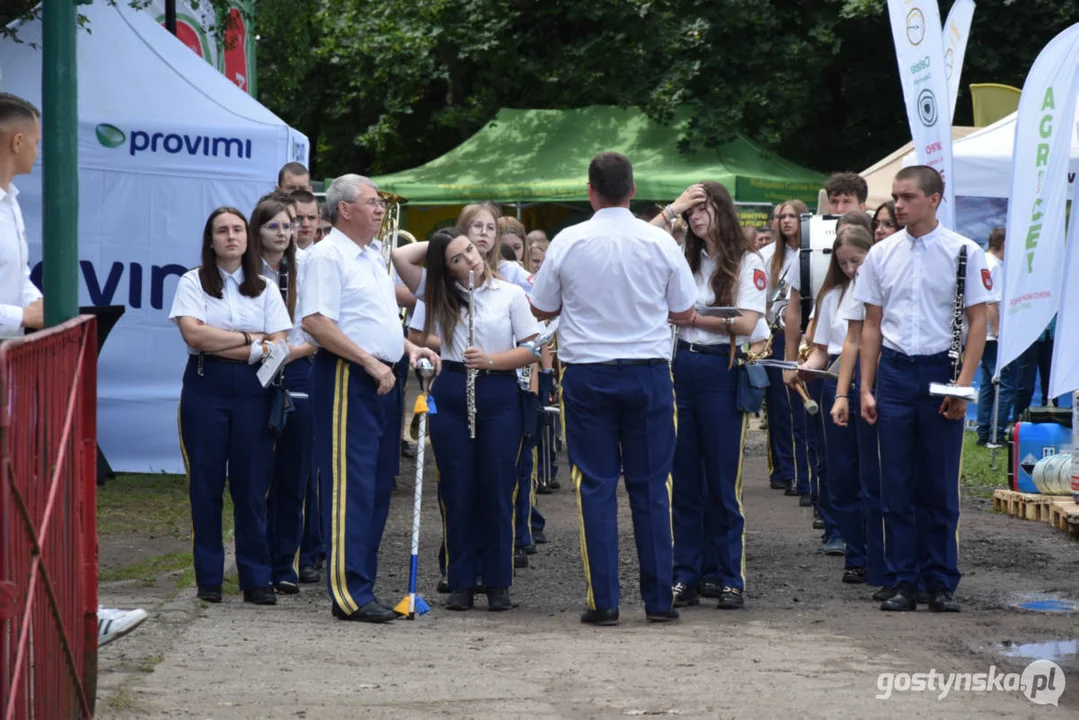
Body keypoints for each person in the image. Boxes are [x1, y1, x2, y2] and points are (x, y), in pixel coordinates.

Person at [530, 152, 697, 626]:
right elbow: (684, 311)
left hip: (587, 373)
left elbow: (541, 308)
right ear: (633, 189)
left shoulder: (567, 241)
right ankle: (659, 599)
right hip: (646, 370)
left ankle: (603, 600)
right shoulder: (659, 242)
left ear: (590, 191)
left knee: (597, 486)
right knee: (651, 486)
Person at [300, 174, 439, 623]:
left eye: (380, 204)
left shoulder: (372, 255)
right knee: (350, 483)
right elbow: (317, 322)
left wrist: (406, 347)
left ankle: (363, 584)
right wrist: (369, 361)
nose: (381, 210)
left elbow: (374, 319)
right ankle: (348, 592)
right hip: (349, 375)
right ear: (344, 209)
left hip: (383, 372)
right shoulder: (327, 255)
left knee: (379, 483)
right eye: (373, 202)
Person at [857, 165, 990, 613]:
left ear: (934, 200)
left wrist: (964, 386)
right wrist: (866, 386)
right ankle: (902, 578)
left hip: (941, 368)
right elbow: (871, 326)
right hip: (895, 370)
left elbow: (978, 323)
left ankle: (940, 579)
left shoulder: (965, 252)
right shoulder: (881, 254)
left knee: (938, 480)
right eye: (896, 196)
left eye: (908, 197)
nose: (898, 204)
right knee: (894, 479)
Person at [393, 230, 539, 611]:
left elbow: (532, 348)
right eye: (457, 258)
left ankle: (497, 581)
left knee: (496, 484)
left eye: (470, 250)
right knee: (456, 487)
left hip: (499, 389)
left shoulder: (509, 293)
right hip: (453, 388)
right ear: (447, 267)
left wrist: (491, 360)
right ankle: (460, 579)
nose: (470, 260)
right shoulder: (438, 294)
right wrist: (440, 243)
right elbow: (400, 256)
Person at [170, 207, 292, 606]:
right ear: (211, 240)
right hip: (206, 386)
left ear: (248, 237)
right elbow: (194, 336)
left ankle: (255, 578)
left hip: (253, 390)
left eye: (238, 229)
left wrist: (226, 338)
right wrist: (248, 339)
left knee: (252, 487)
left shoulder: (265, 286)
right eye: (222, 231)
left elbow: (279, 345)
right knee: (205, 485)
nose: (231, 236)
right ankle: (209, 579)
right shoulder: (193, 281)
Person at [652, 182, 765, 610]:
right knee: (684, 478)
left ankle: (728, 574)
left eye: (704, 209)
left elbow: (750, 322)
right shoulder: (684, 255)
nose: (696, 217)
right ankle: (688, 573)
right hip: (681, 367)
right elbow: (643, 241)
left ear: (723, 210)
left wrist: (694, 317)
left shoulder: (747, 261)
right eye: (692, 210)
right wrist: (672, 212)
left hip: (722, 368)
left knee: (723, 478)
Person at [798, 226, 873, 584]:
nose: (850, 269)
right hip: (836, 381)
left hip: (871, 377)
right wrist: (803, 369)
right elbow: (821, 350)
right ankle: (854, 552)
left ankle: (877, 552)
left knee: (871, 471)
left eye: (856, 261)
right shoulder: (832, 296)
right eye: (843, 263)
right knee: (840, 470)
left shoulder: (882, 293)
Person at [253, 199, 319, 592]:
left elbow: (316, 328)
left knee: (294, 474)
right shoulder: (245, 271)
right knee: (258, 474)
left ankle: (285, 564)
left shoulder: (308, 267)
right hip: (254, 368)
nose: (283, 232)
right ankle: (257, 562)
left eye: (288, 226)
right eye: (273, 226)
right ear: (257, 229)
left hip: (296, 365)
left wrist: (284, 353)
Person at [760, 199, 811, 499]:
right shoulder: (768, 256)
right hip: (778, 333)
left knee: (804, 404)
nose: (786, 221)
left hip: (807, 333)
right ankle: (784, 468)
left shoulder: (812, 253)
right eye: (781, 217)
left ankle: (803, 471)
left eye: (793, 216)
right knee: (779, 405)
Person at [0, 92, 44, 339]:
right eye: (35, 142)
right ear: (17, 142)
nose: (37, 152)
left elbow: (18, 276)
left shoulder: (10, 202)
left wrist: (38, 302)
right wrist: (24, 317)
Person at [976, 228, 1015, 446]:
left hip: (985, 334)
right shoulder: (994, 265)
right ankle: (995, 434)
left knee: (988, 385)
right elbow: (991, 302)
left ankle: (984, 432)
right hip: (993, 335)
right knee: (1005, 385)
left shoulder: (984, 260)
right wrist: (999, 332)